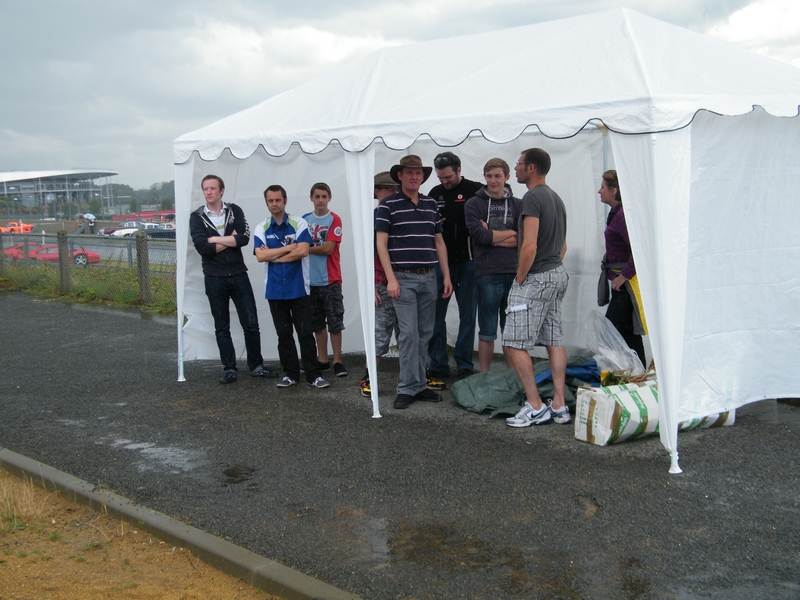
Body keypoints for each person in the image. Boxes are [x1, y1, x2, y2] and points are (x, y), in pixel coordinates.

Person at [375, 155, 453, 409]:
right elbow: (381, 244)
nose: (414, 177)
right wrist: (391, 279)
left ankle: (418, 385)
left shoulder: (430, 204)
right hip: (403, 278)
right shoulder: (388, 205)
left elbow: (439, 242)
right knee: (408, 334)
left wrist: (446, 276)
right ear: (400, 176)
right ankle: (407, 387)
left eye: (418, 173)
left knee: (424, 333)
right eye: (409, 172)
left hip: (429, 276)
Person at [503, 148, 571, 427]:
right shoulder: (556, 198)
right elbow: (563, 246)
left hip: (537, 276)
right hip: (556, 273)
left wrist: (521, 278)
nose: (515, 168)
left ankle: (535, 406)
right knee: (554, 339)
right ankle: (559, 404)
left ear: (531, 167)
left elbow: (529, 245)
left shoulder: (532, 198)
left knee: (513, 342)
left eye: (518, 164)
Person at [189, 174, 276, 384]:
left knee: (251, 323)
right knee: (222, 326)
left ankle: (256, 365)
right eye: (205, 189)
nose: (209, 192)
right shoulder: (197, 217)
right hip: (214, 277)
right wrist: (230, 240)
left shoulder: (234, 210)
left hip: (238, 274)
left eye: (212, 188)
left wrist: (215, 239)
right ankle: (229, 368)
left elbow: (244, 238)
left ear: (221, 190)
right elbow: (203, 248)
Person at [253, 185, 329, 389]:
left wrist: (274, 255)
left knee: (305, 333)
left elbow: (303, 251)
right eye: (270, 201)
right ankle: (291, 374)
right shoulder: (262, 227)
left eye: (278, 200)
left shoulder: (299, 223)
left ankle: (313, 375)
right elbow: (260, 256)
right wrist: (288, 248)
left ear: (285, 201)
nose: (274, 204)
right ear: (266, 203)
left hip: (299, 288)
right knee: (284, 335)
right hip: (274, 290)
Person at [426, 152, 483, 380]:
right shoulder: (434, 194)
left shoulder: (475, 190)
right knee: (435, 315)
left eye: (448, 177)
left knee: (468, 315)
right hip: (441, 264)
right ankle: (438, 363)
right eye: (440, 178)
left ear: (459, 170)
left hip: (468, 262)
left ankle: (464, 363)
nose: (445, 181)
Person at [464, 158, 521, 373]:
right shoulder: (474, 204)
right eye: (489, 176)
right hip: (487, 272)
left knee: (511, 330)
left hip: (515, 272)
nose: (493, 180)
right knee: (487, 330)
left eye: (498, 176)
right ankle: (485, 375)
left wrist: (493, 235)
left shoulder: (518, 204)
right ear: (484, 177)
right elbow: (480, 236)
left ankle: (511, 376)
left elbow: (524, 238)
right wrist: (510, 234)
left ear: (507, 177)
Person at [598, 169, 647, 367]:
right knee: (628, 333)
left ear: (614, 190)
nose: (599, 191)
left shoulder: (623, 216)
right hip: (619, 282)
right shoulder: (616, 214)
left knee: (610, 331)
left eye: (603, 187)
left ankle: (615, 371)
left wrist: (624, 275)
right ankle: (639, 372)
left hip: (625, 285)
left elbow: (639, 249)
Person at [360, 172, 400, 397]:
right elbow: (364, 253)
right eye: (389, 189)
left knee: (409, 334)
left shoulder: (401, 214)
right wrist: (370, 284)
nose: (394, 193)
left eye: (396, 189)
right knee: (380, 334)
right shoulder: (372, 218)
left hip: (404, 281)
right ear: (377, 191)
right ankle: (368, 376)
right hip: (381, 283)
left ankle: (415, 375)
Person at [303, 182, 348, 377]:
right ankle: (322, 358)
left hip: (330, 279)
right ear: (311, 198)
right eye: (317, 196)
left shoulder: (334, 219)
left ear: (329, 198)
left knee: (335, 321)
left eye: (324, 196)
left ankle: (337, 360)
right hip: (310, 280)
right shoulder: (304, 220)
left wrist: (305, 249)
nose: (320, 200)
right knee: (317, 322)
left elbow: (328, 248)